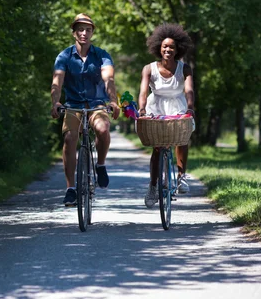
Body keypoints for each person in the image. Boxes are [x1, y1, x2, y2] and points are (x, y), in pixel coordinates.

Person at [51, 13, 120, 206]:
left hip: (97, 104)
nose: (84, 33)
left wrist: (113, 101)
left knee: (103, 129)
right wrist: (55, 102)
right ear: (74, 33)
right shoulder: (64, 56)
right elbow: (57, 81)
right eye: (80, 29)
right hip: (73, 105)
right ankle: (71, 188)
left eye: (88, 30)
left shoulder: (102, 55)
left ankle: (100, 164)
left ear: (92, 33)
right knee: (69, 137)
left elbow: (109, 79)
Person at [137, 23, 195, 208]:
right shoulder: (149, 69)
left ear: (178, 49)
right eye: (164, 46)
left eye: (171, 46)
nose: (168, 49)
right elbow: (143, 92)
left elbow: (189, 90)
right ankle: (153, 186)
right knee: (157, 147)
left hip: (178, 106)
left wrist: (191, 108)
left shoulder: (184, 69)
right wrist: (142, 109)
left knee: (182, 138)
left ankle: (181, 177)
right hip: (157, 107)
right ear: (158, 48)